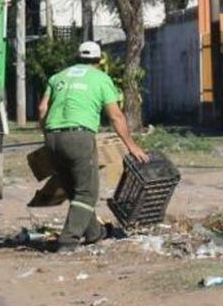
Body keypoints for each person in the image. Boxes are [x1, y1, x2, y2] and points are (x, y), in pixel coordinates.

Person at [37, 41, 149, 252]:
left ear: (77, 58)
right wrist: (131, 146)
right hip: (79, 137)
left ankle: (94, 232)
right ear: (99, 61)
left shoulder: (58, 77)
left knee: (75, 191)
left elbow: (43, 109)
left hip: (52, 138)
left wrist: (47, 135)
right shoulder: (101, 79)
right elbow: (115, 116)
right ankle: (68, 241)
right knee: (87, 193)